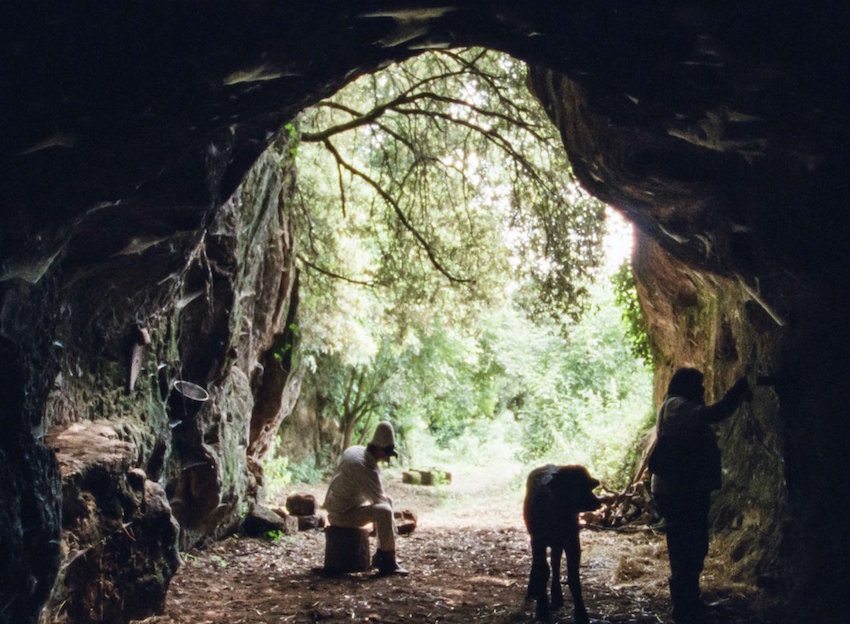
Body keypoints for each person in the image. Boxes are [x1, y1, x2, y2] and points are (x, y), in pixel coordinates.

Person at [649, 368, 753, 623]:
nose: (703, 391)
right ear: (687, 388)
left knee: (692, 546)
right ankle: (684, 608)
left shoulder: (677, 406)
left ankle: (690, 602)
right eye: (698, 386)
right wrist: (737, 392)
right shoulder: (676, 406)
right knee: (686, 547)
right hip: (677, 491)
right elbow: (715, 413)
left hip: (682, 489)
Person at [322, 421, 409, 576]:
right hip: (342, 516)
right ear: (378, 449)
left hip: (338, 506)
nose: (387, 459)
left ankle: (383, 553)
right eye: (386, 454)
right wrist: (394, 531)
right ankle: (387, 561)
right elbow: (381, 503)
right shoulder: (365, 469)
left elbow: (380, 497)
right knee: (384, 510)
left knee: (387, 502)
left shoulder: (354, 451)